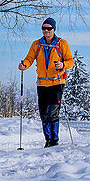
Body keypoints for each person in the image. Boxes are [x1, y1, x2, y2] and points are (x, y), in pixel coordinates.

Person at [18, 17, 74, 147]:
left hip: (57, 83)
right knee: (43, 114)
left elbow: (71, 61)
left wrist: (63, 65)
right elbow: (29, 59)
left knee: (53, 113)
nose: (46, 30)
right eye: (44, 28)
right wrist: (24, 65)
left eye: (49, 28)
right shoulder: (36, 44)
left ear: (54, 30)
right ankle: (47, 140)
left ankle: (54, 141)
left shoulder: (62, 44)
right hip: (42, 84)